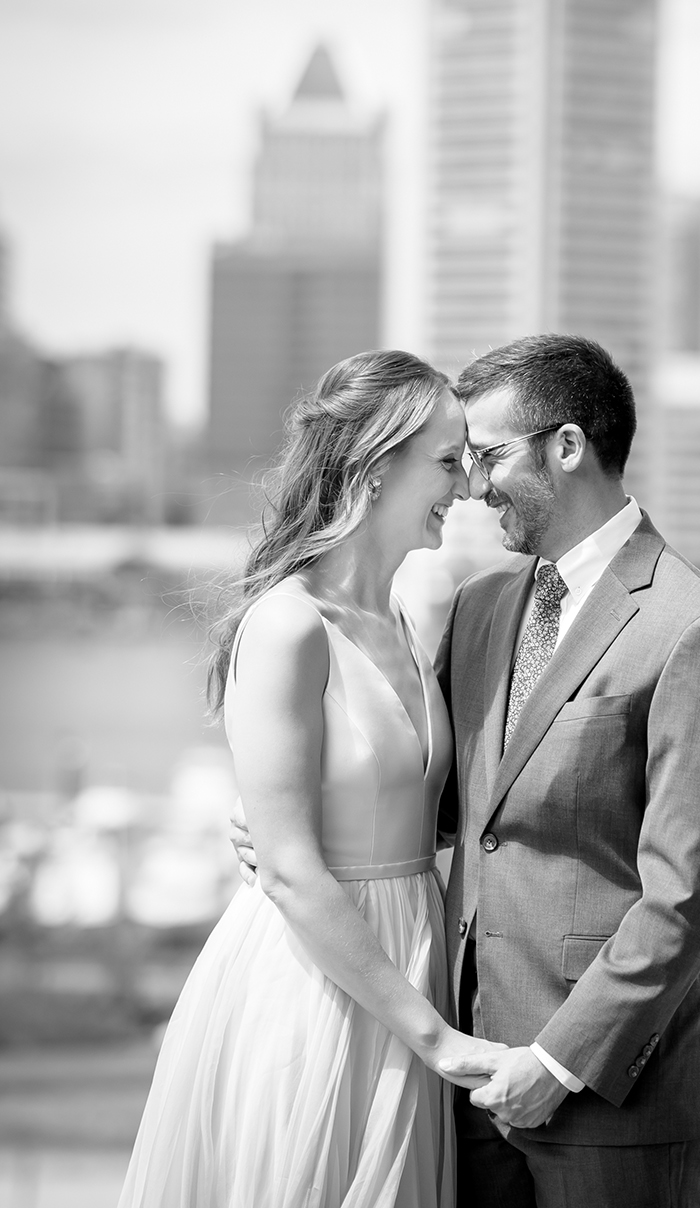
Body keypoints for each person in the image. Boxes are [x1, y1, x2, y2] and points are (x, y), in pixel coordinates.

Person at [119, 349, 502, 1208]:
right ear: (376, 466)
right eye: (449, 461)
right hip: (316, 981)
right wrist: (436, 1038)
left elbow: (415, 803)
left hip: (410, 962)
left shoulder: (405, 616)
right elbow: (291, 871)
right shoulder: (288, 625)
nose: (469, 486)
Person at [433, 335, 700, 1207]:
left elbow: (687, 894)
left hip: (615, 1093)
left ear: (568, 445)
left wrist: (558, 1061)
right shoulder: (478, 608)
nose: (472, 484)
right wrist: (303, 824)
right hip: (469, 1077)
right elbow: (456, 808)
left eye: (488, 456)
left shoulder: (698, 629)